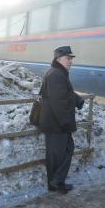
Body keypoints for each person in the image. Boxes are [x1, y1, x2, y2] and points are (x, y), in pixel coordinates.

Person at [38, 46, 84, 194]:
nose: (70, 61)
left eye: (71, 59)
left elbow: (65, 93)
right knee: (61, 153)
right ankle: (57, 183)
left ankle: (56, 183)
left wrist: (78, 100)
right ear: (58, 59)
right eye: (68, 58)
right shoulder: (56, 75)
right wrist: (66, 124)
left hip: (54, 123)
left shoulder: (57, 73)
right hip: (57, 124)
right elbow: (58, 102)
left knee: (59, 153)